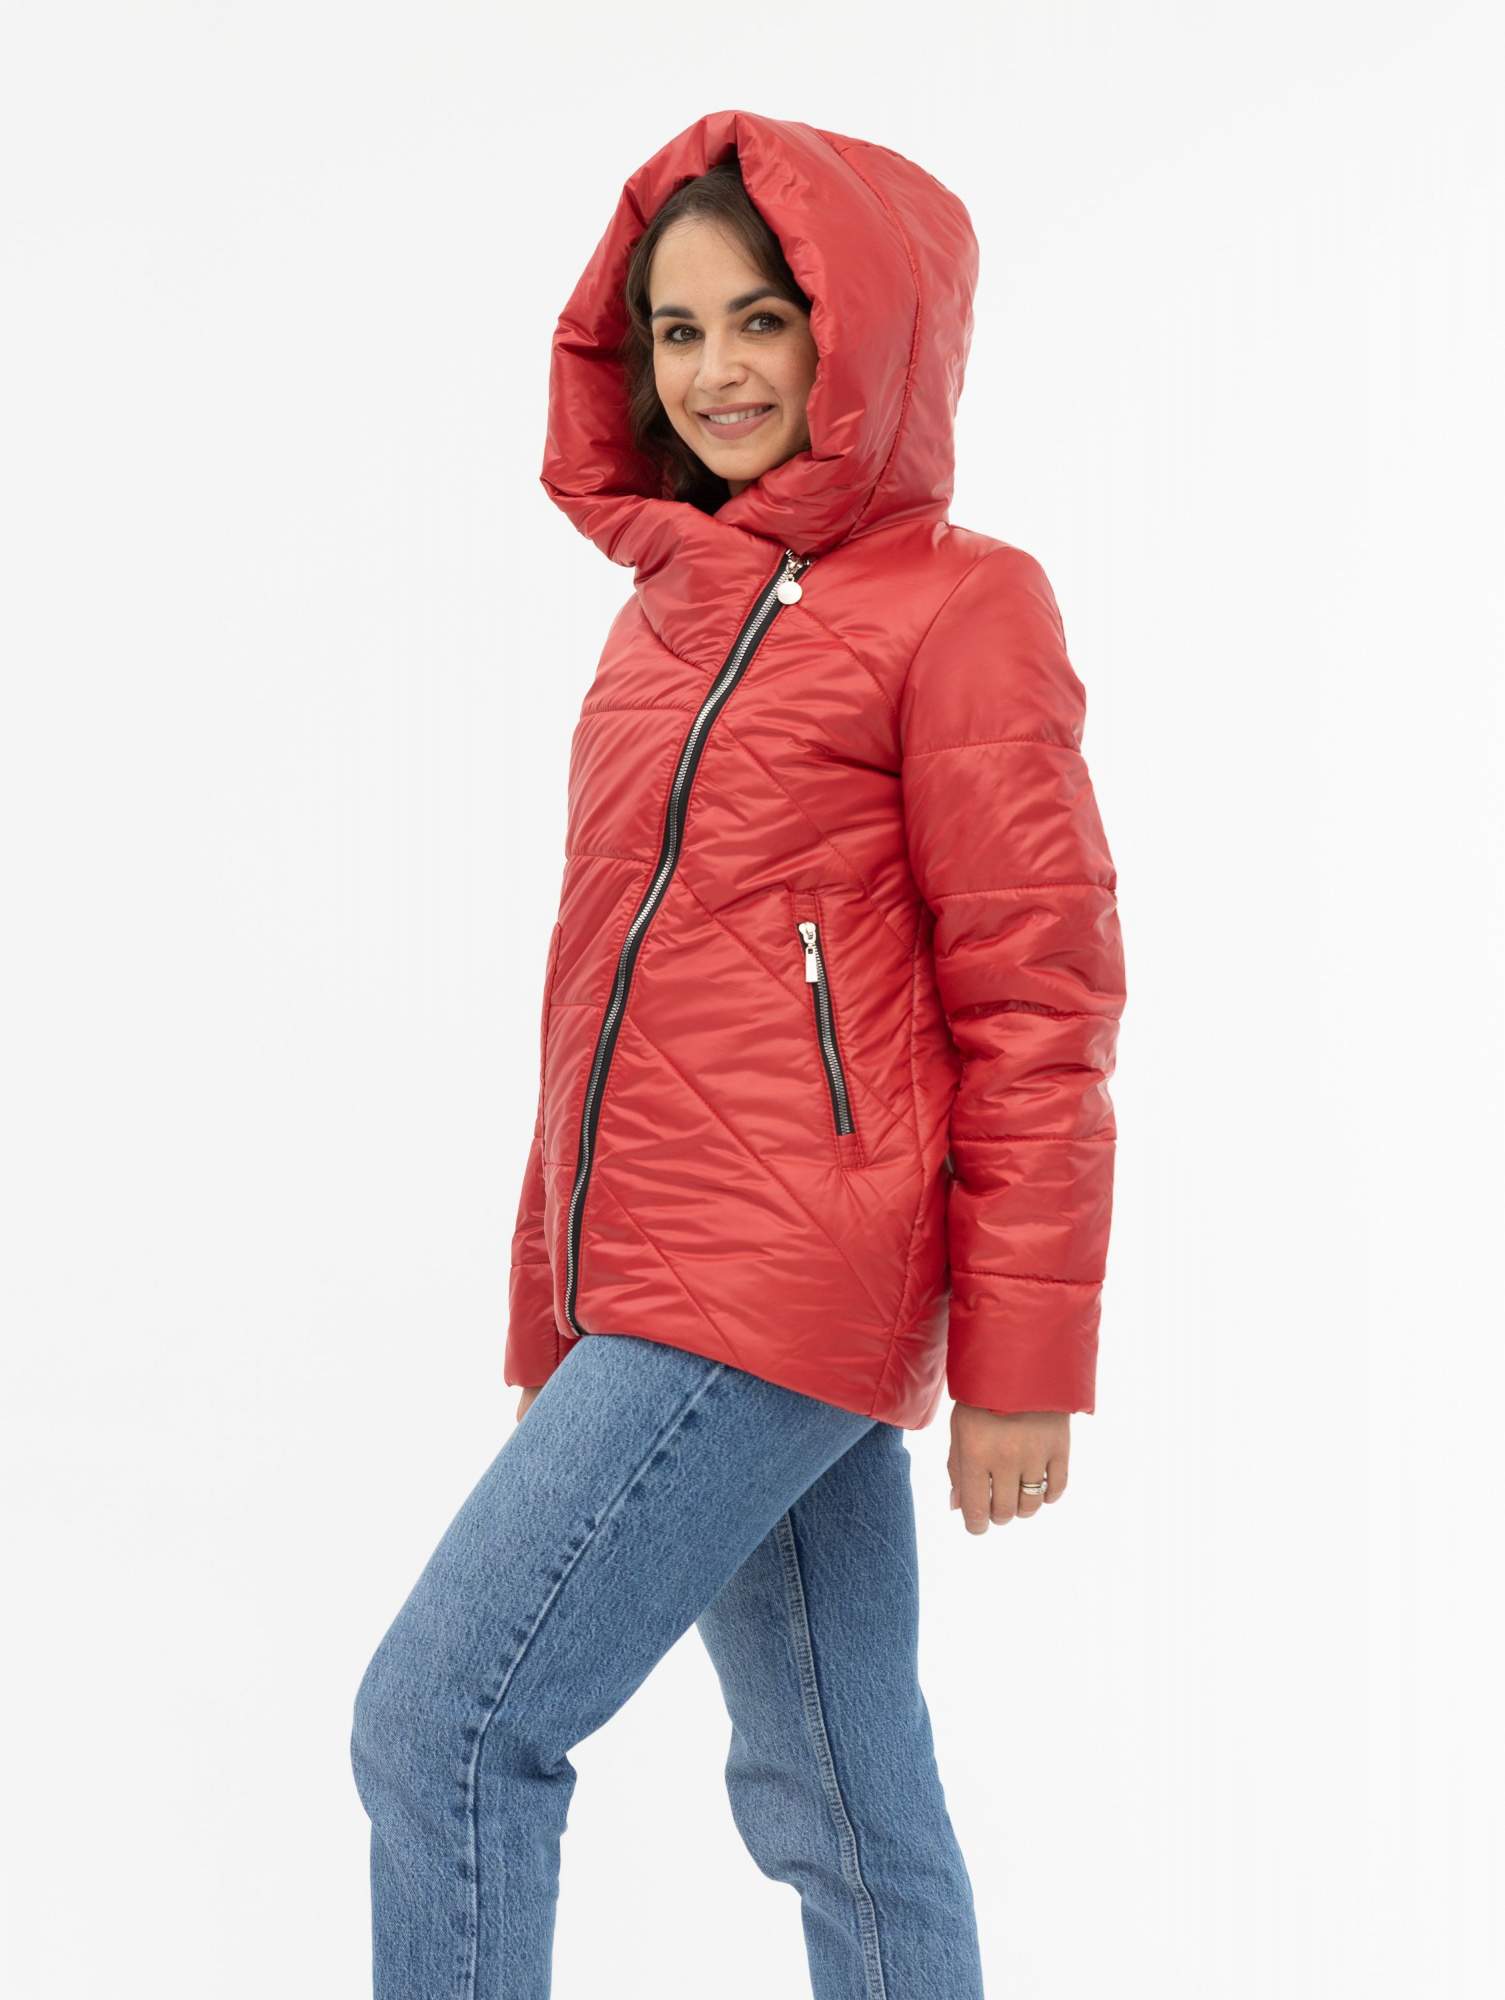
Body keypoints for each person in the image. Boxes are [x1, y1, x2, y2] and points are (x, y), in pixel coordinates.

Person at [350, 107, 1126, 1999]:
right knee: (835, 1786)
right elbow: (598, 998)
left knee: (445, 1726)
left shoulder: (965, 602)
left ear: (859, 333)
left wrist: (1023, 1361)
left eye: (762, 320)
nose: (713, 372)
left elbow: (1038, 994)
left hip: (789, 1273)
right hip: (667, 1281)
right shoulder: (660, 621)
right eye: (676, 330)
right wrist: (551, 1319)